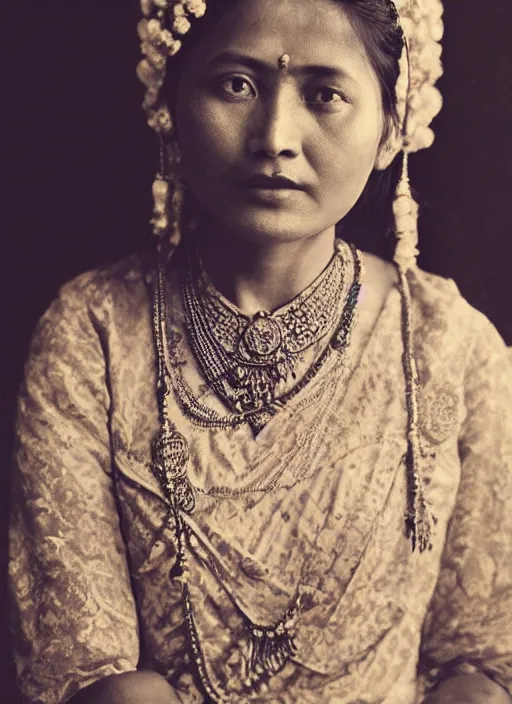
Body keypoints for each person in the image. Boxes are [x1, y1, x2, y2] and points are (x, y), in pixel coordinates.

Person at [8, 0, 512, 702]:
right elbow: (89, 677)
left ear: (392, 127)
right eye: (236, 85)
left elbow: (484, 665)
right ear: (172, 103)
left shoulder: (451, 348)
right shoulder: (93, 332)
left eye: (325, 94)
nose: (275, 136)